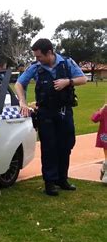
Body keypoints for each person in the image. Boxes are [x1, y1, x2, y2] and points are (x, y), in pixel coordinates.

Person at [14, 38, 87, 196]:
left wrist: (67, 82)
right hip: (45, 112)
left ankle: (62, 179)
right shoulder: (36, 67)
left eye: (39, 56)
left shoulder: (67, 63)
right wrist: (23, 102)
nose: (37, 59)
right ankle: (50, 182)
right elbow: (19, 84)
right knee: (49, 147)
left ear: (49, 52)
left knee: (66, 145)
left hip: (64, 111)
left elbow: (83, 79)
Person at [91, 103, 107, 182]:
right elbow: (94, 119)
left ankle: (104, 169)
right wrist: (101, 110)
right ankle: (105, 175)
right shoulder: (104, 110)